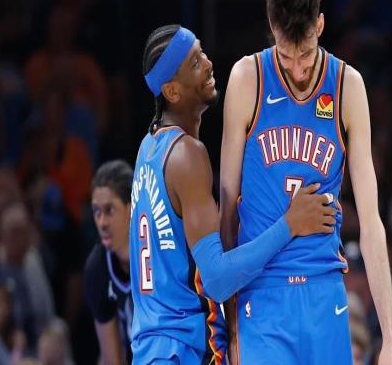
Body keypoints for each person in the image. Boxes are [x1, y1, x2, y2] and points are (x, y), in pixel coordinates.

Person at [220, 0, 392, 364]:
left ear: (319, 25)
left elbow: (371, 222)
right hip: (261, 293)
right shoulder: (247, 78)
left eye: (305, 54)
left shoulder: (348, 86)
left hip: (324, 293)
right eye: (287, 57)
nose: (299, 69)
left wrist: (390, 339)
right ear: (272, 27)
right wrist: (229, 325)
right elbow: (227, 214)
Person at [129, 24, 337, 364]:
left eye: (201, 52)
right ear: (172, 91)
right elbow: (216, 279)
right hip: (179, 350)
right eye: (194, 63)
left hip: (152, 348)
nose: (208, 63)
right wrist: (291, 224)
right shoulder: (187, 155)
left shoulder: (148, 149)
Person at [84, 160, 134, 364]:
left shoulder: (162, 251)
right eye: (97, 212)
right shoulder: (96, 268)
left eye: (109, 210)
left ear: (131, 208)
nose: (102, 222)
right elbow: (112, 359)